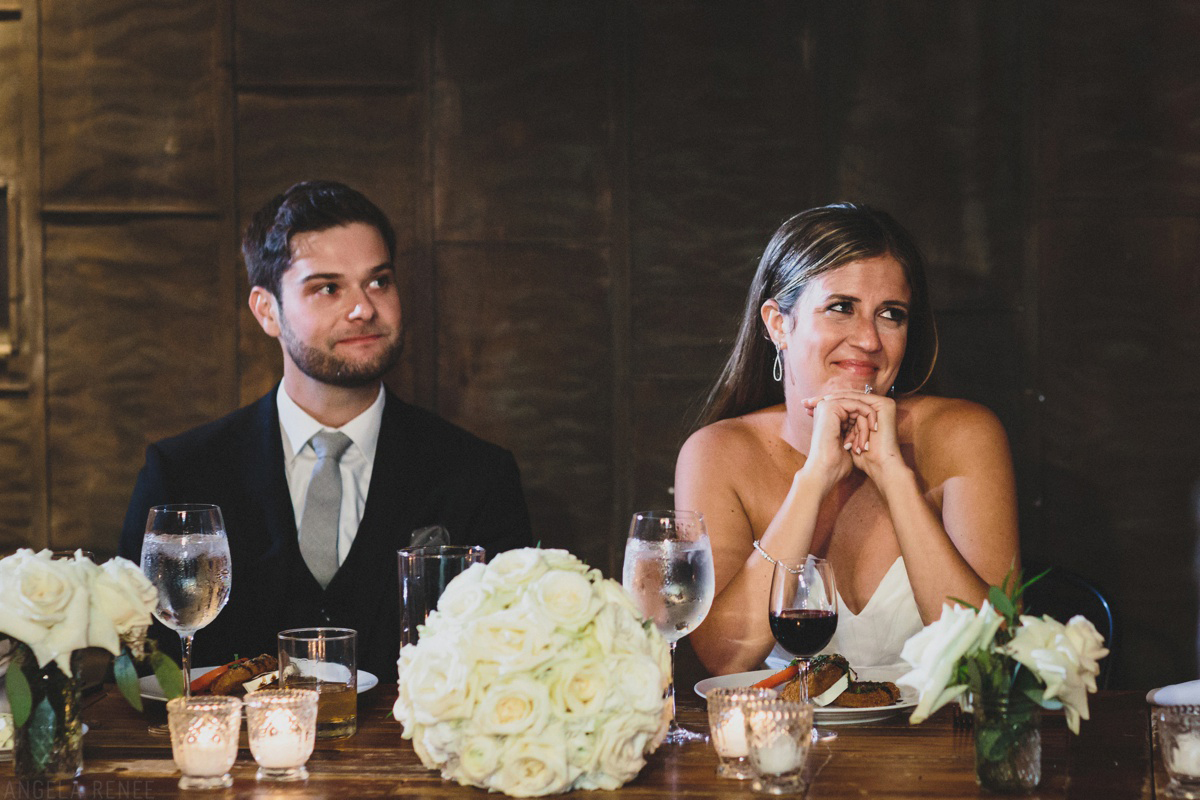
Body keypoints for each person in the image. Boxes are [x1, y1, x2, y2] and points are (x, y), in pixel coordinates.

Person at [120, 180, 532, 681]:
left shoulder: (478, 475)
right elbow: (140, 668)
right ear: (267, 310)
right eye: (328, 288)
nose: (363, 308)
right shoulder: (182, 474)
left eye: (378, 281)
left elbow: (516, 660)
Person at [675, 203, 1019, 675]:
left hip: (941, 741)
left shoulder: (966, 435)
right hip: (787, 742)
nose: (869, 340)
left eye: (891, 315)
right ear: (778, 323)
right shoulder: (716, 452)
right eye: (841, 308)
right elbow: (727, 658)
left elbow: (993, 655)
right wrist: (814, 480)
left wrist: (895, 479)